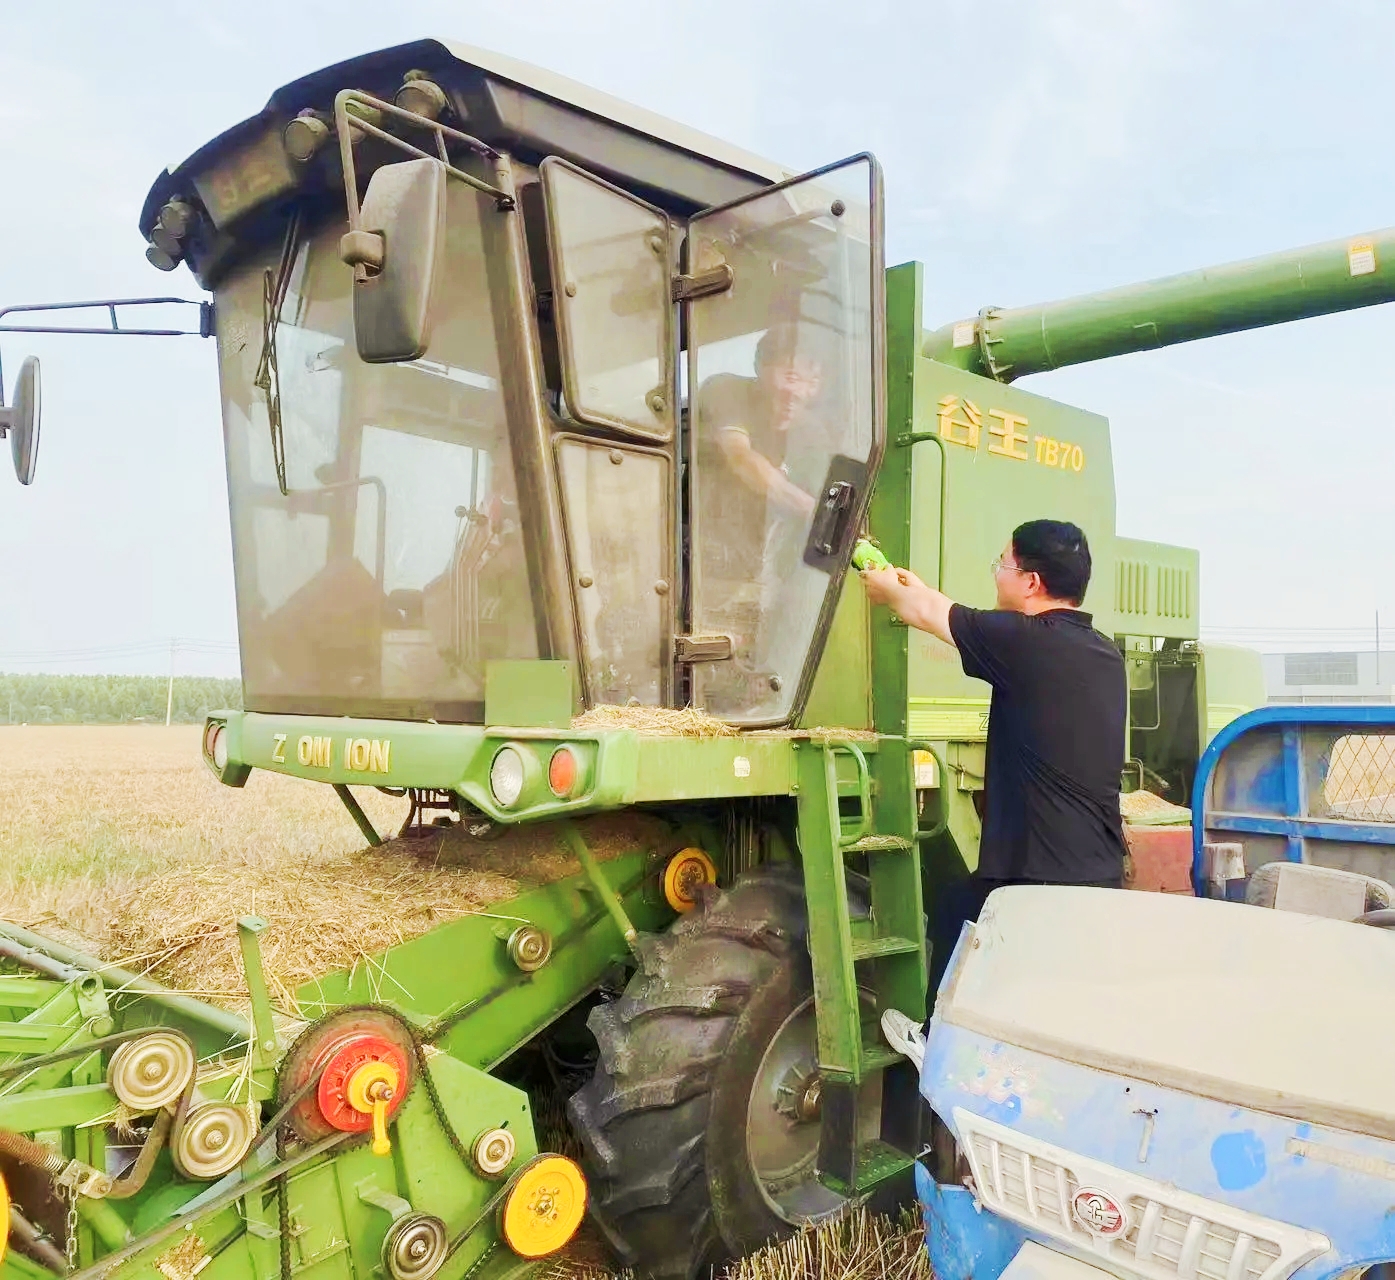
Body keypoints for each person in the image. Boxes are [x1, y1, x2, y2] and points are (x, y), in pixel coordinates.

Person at [860, 519, 1128, 1005]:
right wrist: (913, 587)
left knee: (968, 934)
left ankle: (935, 1036)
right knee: (959, 909)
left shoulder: (1024, 642)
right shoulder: (1103, 652)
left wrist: (885, 588)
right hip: (1097, 869)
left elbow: (924, 612)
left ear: (1031, 581)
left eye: (1002, 564)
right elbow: (945, 610)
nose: (997, 574)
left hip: (1038, 878)